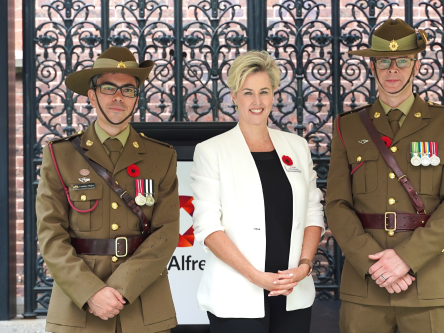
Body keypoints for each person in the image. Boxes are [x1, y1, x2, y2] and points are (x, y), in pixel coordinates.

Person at [326, 18, 444, 333]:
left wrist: (405, 259)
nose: (393, 69)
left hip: (428, 281)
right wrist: (374, 264)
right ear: (373, 67)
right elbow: (337, 204)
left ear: (416, 66)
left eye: (402, 61)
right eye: (384, 61)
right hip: (366, 284)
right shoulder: (348, 126)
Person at [36, 46, 179, 333]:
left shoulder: (161, 157)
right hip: (79, 307)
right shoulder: (60, 155)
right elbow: (51, 235)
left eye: (128, 90)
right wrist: (90, 292)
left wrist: (122, 289)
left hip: (143, 303)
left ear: (136, 98)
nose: (118, 97)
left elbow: (166, 233)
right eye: (108, 87)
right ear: (92, 95)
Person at [190, 50, 324, 333]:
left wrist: (304, 266)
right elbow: (207, 227)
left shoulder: (296, 147)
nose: (256, 101)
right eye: (247, 92)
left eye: (264, 91)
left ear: (274, 94)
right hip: (237, 292)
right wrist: (256, 277)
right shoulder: (211, 151)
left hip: (293, 290)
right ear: (234, 96)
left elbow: (314, 212)